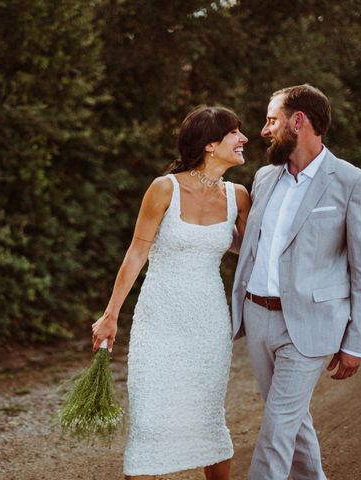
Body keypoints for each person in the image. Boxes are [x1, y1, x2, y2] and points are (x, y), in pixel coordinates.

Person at [91, 105, 251, 480]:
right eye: (235, 133)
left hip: (208, 321)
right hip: (159, 318)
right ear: (211, 144)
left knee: (207, 413)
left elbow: (255, 252)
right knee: (150, 416)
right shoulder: (165, 188)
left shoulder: (239, 196)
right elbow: (137, 252)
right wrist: (111, 314)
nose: (244, 139)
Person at [231, 84, 361, 479]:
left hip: (313, 326)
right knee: (292, 420)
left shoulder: (353, 183)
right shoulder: (265, 178)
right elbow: (252, 246)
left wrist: (355, 342)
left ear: (299, 122)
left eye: (271, 120)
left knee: (278, 426)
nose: (264, 131)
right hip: (258, 316)